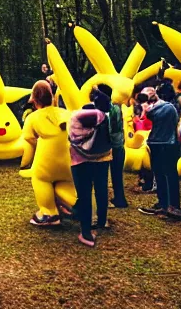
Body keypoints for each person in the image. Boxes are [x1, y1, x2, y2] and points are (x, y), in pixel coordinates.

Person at [21, 81, 73, 227]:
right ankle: (79, 207)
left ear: (35, 100)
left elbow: (28, 138)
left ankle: (49, 213)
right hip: (68, 158)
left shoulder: (33, 117)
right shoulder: (65, 113)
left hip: (46, 161)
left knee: (40, 179)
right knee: (67, 182)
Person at [69, 87, 113, 247]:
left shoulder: (75, 115)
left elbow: (71, 136)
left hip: (79, 160)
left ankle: (86, 232)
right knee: (101, 189)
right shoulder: (106, 117)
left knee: (84, 195)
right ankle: (102, 220)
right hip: (102, 158)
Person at [137, 87, 181, 221]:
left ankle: (173, 208)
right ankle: (163, 204)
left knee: (170, 176)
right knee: (159, 175)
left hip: (167, 145)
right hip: (157, 144)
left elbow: (153, 115)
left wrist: (146, 108)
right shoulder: (155, 107)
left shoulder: (166, 107)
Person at [99, 84, 128, 208]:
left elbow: (108, 129)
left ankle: (104, 200)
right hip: (119, 144)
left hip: (110, 147)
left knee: (103, 175)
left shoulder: (106, 110)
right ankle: (120, 199)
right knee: (117, 175)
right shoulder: (117, 107)